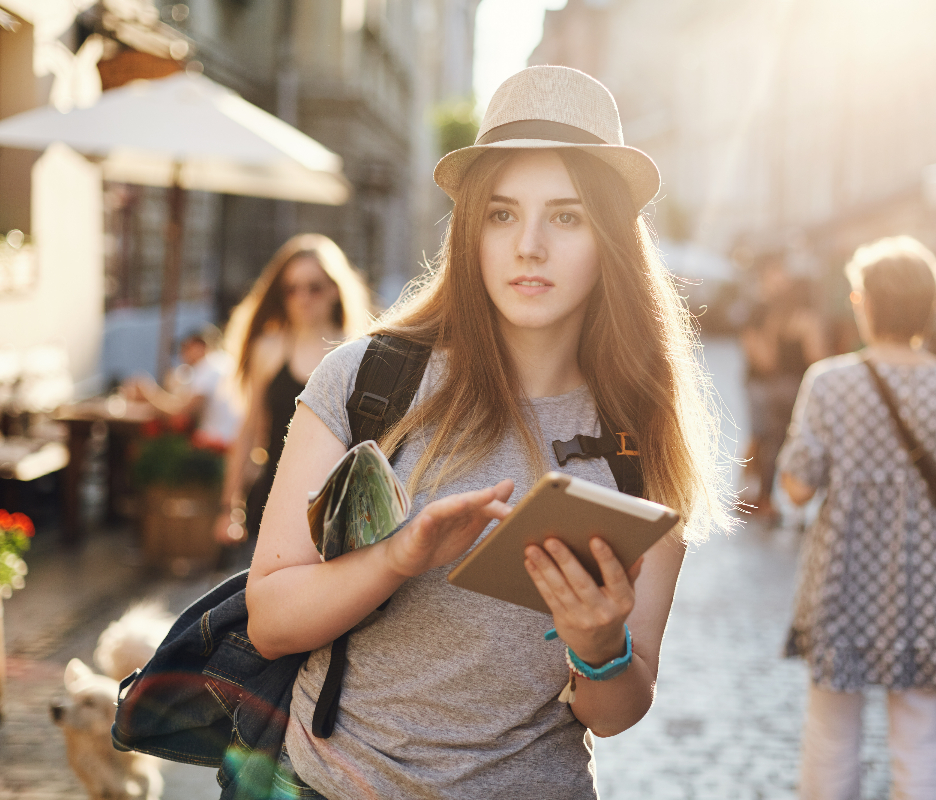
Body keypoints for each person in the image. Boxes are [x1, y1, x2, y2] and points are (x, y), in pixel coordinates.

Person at [245, 66, 728, 799]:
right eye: (502, 214)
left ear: (610, 239)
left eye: (565, 216)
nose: (528, 245)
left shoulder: (640, 428)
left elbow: (621, 707)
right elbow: (269, 621)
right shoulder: (366, 379)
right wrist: (396, 558)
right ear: (471, 229)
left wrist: (600, 648)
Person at [777, 236, 936, 800]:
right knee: (925, 735)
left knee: (831, 733)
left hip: (842, 577)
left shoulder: (828, 382)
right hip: (929, 581)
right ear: (930, 308)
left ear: (865, 303)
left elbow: (797, 490)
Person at [213, 234, 371, 550]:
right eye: (291, 289)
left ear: (335, 291)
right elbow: (247, 432)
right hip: (274, 499)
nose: (303, 297)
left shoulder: (359, 353)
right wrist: (228, 507)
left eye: (314, 287)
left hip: (335, 510)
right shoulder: (269, 350)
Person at [741, 260, 826, 518]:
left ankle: (759, 496)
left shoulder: (772, 316)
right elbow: (817, 355)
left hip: (769, 386)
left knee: (764, 440)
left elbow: (766, 358)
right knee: (785, 441)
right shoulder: (806, 317)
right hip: (794, 387)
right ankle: (780, 496)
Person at [124, 326, 240, 449]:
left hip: (219, 442)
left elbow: (182, 412)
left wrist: (149, 394)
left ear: (200, 346)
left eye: (185, 348)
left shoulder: (208, 368)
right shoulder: (222, 362)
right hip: (231, 438)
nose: (182, 355)